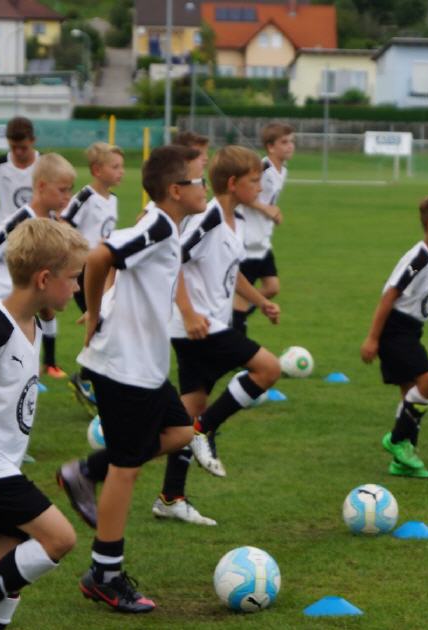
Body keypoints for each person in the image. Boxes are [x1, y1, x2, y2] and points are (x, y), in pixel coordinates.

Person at [55, 145, 207, 613]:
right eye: (199, 179)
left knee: (181, 431)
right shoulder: (157, 224)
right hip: (123, 367)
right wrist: (94, 313)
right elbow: (99, 256)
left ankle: (85, 471)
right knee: (127, 468)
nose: (204, 187)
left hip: (145, 367)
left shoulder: (169, 227)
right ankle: (104, 575)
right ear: (176, 190)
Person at [0, 219, 88, 630]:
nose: (77, 287)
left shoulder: (34, 323)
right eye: (73, 278)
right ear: (44, 279)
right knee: (59, 538)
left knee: (8, 578)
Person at [158, 146, 281, 523]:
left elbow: (232, 271)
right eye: (254, 181)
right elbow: (173, 261)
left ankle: (170, 498)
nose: (260, 187)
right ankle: (204, 430)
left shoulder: (237, 220)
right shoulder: (208, 217)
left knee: (187, 414)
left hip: (207, 325)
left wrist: (261, 301)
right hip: (198, 327)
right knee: (268, 368)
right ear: (232, 183)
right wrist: (188, 312)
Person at [361, 193, 428, 478]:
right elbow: (389, 295)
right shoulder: (419, 258)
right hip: (395, 330)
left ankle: (403, 460)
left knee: (410, 395)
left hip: (411, 331)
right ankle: (396, 440)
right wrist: (372, 338)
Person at [0, 154, 75, 378]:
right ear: (41, 187)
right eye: (62, 190)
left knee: (20, 356)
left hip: (20, 299)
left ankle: (40, 371)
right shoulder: (21, 220)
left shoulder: (53, 222)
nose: (68, 197)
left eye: (69, 190)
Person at [61, 142, 125, 415]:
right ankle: (88, 378)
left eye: (122, 167)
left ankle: (90, 377)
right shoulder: (85, 196)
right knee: (100, 323)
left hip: (105, 271)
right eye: (115, 167)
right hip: (84, 272)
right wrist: (81, 252)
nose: (121, 172)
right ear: (97, 170)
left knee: (105, 323)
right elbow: (63, 225)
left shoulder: (114, 200)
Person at [232, 122, 295, 334]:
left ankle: (235, 316)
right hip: (248, 242)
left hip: (263, 241)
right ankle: (235, 324)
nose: (290, 146)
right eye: (284, 142)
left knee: (272, 287)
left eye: (291, 141)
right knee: (243, 296)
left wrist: (273, 212)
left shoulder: (282, 171)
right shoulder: (262, 168)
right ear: (270, 147)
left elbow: (268, 200)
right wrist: (266, 209)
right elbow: (240, 194)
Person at [0, 117, 39, 249]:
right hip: (4, 239)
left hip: (38, 238)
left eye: (23, 148)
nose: (18, 152)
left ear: (33, 140)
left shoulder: (45, 164)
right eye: (13, 147)